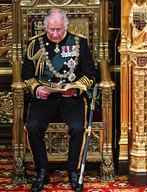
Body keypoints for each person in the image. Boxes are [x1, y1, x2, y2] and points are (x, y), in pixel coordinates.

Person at [22, 8, 98, 192]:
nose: (55, 34)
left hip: (70, 97)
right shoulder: (34, 45)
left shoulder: (79, 43)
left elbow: (90, 73)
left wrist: (77, 88)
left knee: (78, 128)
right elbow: (26, 74)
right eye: (51, 30)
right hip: (45, 98)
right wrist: (37, 88)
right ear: (45, 27)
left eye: (59, 30)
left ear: (66, 26)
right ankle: (42, 170)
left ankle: (73, 170)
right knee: (32, 127)